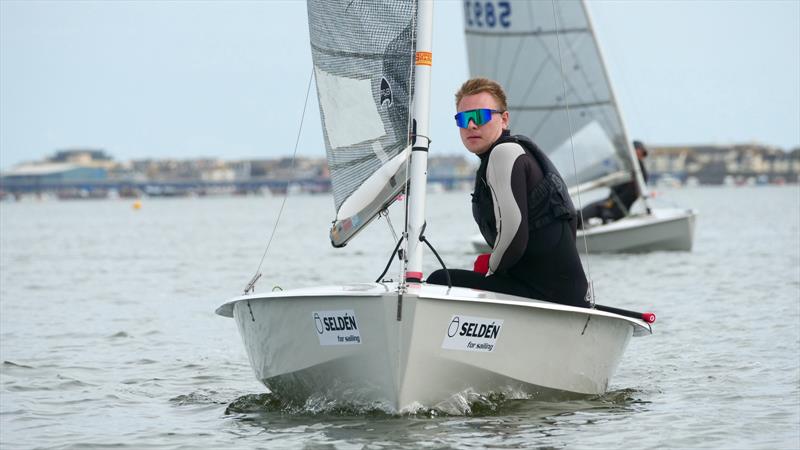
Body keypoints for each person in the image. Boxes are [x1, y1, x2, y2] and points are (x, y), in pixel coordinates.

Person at [426, 78, 590, 308]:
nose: (471, 125)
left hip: (545, 296)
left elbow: (514, 233)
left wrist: (491, 271)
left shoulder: (504, 154)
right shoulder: (517, 153)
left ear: (504, 119)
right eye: (463, 119)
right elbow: (569, 220)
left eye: (480, 116)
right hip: (564, 292)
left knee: (439, 281)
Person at [577, 140, 649, 228]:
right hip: (613, 204)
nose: (639, 154)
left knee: (594, 209)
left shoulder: (638, 171)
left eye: (640, 151)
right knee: (584, 212)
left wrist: (609, 204)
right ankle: (577, 222)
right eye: (637, 151)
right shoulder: (628, 167)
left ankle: (578, 221)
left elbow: (631, 194)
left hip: (618, 209)